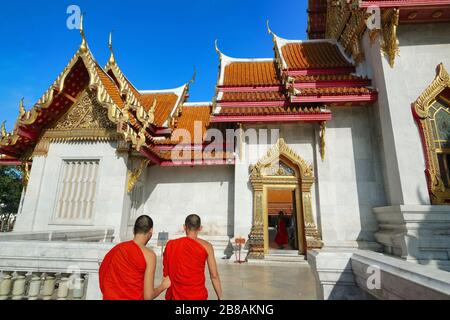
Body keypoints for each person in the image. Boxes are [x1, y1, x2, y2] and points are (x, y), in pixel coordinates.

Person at [99, 215, 171, 300]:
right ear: (150, 231)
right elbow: (148, 296)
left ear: (134, 230)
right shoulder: (149, 255)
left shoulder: (117, 249)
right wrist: (162, 286)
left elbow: (102, 272)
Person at [163, 214, 224, 300]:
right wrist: (220, 297)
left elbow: (167, 274)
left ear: (184, 227)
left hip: (176, 296)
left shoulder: (171, 245)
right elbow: (214, 275)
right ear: (200, 228)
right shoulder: (207, 246)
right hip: (197, 295)